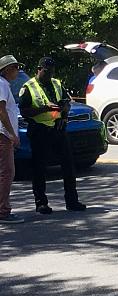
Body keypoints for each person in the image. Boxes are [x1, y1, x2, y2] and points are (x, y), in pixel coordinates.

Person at [19, 57, 86, 214]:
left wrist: (64, 113)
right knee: (39, 168)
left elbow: (66, 102)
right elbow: (24, 111)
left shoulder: (56, 82)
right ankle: (41, 203)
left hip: (58, 128)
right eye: (47, 71)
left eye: (52, 71)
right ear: (39, 69)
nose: (50, 74)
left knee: (68, 165)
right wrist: (44, 109)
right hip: (39, 130)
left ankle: (72, 201)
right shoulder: (28, 87)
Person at [0, 55, 25, 224]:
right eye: (16, 67)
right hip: (3, 135)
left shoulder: (4, 85)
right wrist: (12, 134)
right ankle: (3, 211)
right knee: (6, 172)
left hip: (4, 135)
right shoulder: (1, 84)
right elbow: (1, 111)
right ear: (8, 69)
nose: (18, 71)